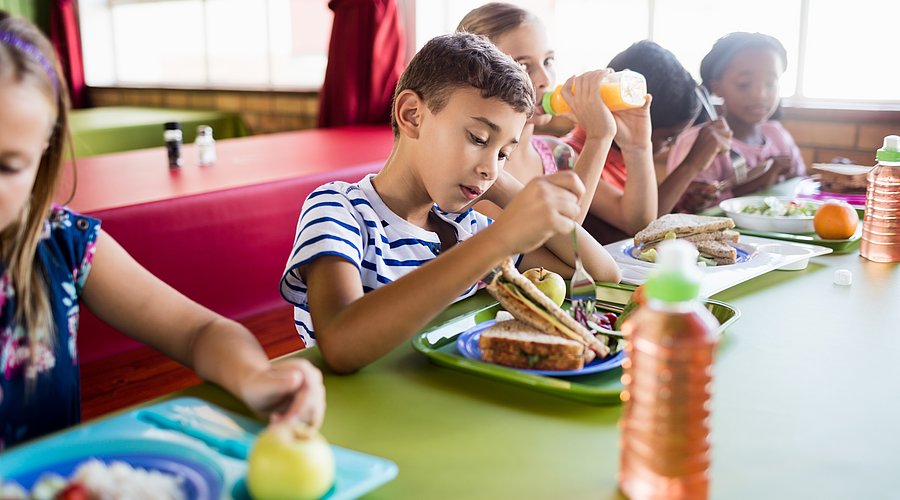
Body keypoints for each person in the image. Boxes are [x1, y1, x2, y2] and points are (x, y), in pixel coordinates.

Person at [0, 12, 324, 450]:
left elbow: (199, 332)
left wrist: (255, 377)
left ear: (45, 147)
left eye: (8, 166)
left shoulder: (61, 244)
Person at [280, 32, 620, 374]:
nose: (490, 167)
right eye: (478, 138)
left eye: (504, 153)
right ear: (412, 115)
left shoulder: (465, 227)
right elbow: (341, 345)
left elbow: (599, 271)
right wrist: (500, 239)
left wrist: (500, 184)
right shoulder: (340, 209)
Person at [457, 3, 657, 236]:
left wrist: (638, 147)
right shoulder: (477, 167)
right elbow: (557, 241)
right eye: (523, 65)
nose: (544, 79)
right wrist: (598, 137)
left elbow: (636, 221)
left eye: (548, 61)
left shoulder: (556, 155)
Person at [564, 40, 734, 233]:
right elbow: (643, 226)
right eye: (668, 138)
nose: (670, 146)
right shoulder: (571, 158)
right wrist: (690, 165)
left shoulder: (626, 158)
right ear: (632, 117)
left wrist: (683, 196)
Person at [666, 32, 805, 210]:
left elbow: (800, 185)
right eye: (744, 84)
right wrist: (762, 180)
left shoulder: (778, 135)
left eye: (770, 83)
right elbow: (694, 207)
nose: (760, 95)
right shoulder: (700, 143)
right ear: (717, 87)